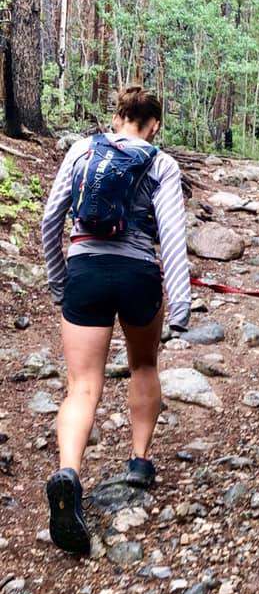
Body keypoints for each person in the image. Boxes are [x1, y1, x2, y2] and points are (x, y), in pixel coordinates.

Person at [41, 86, 191, 555]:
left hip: (85, 270)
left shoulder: (82, 151)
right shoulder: (161, 163)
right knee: (143, 364)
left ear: (116, 117)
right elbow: (172, 237)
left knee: (82, 385)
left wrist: (59, 279)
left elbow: (50, 220)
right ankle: (139, 461)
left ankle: (69, 473)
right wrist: (181, 306)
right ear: (155, 124)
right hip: (138, 274)